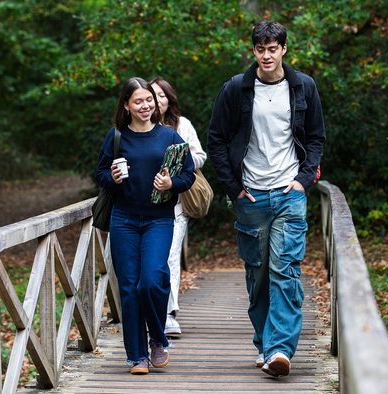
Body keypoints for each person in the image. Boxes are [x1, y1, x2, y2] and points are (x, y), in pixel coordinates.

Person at [207, 20, 325, 378]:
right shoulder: (237, 89)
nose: (267, 55)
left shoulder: (303, 86)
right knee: (257, 273)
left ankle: (280, 350)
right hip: (251, 196)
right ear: (254, 51)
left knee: (285, 270)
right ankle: (264, 342)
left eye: (273, 48)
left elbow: (316, 138)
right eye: (261, 49)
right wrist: (234, 188)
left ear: (284, 49)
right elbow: (216, 140)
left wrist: (303, 180)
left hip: (289, 194)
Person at [95, 77, 195, 375]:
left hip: (158, 219)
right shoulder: (116, 137)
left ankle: (158, 339)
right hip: (123, 219)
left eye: (149, 100)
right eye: (138, 101)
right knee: (128, 288)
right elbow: (99, 173)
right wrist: (111, 177)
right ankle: (136, 356)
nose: (145, 105)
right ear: (126, 105)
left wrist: (171, 183)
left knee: (151, 280)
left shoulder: (169, 137)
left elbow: (188, 175)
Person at [149, 77, 208, 337]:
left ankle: (169, 313)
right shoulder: (138, 127)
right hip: (145, 204)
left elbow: (200, 157)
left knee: (170, 257)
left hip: (176, 204)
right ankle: (151, 311)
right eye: (152, 95)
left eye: (162, 95)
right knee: (152, 260)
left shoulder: (182, 125)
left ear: (169, 99)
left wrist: (178, 162)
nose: (157, 100)